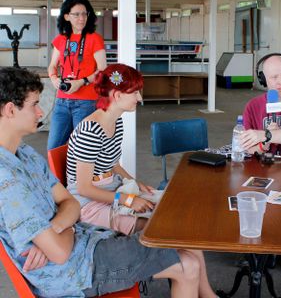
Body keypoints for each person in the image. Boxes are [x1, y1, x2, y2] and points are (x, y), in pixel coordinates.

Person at [0, 66, 218, 298]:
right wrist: (67, 221)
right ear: (11, 110)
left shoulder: (25, 153)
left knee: (182, 235)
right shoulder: (8, 180)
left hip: (87, 241)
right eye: (35, 104)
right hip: (74, 271)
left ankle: (207, 293)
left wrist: (59, 226)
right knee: (187, 261)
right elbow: (63, 247)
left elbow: (70, 201)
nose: (42, 112)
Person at [66, 63, 154, 235]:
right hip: (88, 202)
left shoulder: (116, 122)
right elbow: (84, 188)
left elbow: (114, 164)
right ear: (117, 95)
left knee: (158, 208)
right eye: (135, 93)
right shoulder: (90, 130)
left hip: (110, 190)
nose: (140, 98)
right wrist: (127, 199)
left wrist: (136, 184)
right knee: (149, 224)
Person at [47, 0, 107, 150]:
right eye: (76, 14)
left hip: (86, 102)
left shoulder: (94, 39)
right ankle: (58, 176)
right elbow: (52, 65)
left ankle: (78, 175)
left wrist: (82, 81)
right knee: (54, 148)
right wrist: (54, 79)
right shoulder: (61, 39)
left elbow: (102, 69)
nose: (81, 18)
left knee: (81, 149)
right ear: (67, 16)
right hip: (62, 102)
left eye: (84, 14)